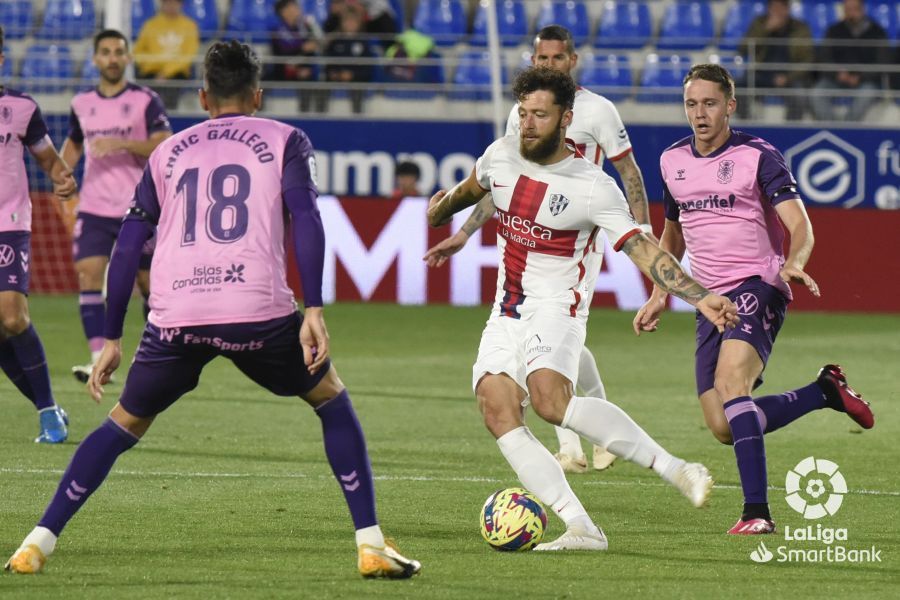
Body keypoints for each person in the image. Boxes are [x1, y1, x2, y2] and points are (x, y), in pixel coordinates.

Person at [4, 40, 420, 579]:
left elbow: (128, 245)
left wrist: (111, 338)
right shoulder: (285, 138)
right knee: (331, 400)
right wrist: (313, 307)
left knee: (121, 425)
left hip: (176, 316)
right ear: (258, 93)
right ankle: (370, 544)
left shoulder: (168, 151)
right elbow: (307, 220)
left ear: (202, 96)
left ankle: (35, 544)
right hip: (258, 312)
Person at [427, 66, 738, 551]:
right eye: (524, 113)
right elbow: (468, 191)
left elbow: (644, 249)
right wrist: (438, 212)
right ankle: (583, 528)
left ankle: (676, 468)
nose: (527, 124)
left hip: (558, 306)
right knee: (496, 407)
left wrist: (699, 295)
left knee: (550, 401)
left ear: (566, 119)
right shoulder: (501, 155)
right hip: (507, 308)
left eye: (540, 115)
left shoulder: (592, 186)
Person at [633, 63, 875, 535]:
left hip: (757, 285)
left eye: (709, 103)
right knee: (724, 427)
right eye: (691, 104)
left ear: (730, 105)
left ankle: (756, 512)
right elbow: (673, 233)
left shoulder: (758, 155)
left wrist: (796, 261)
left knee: (731, 385)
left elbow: (800, 223)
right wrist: (660, 292)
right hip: (707, 298)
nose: (700, 114)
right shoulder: (671, 160)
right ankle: (824, 391)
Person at [424, 25, 654, 475]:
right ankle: (584, 435)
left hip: (579, 229)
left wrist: (640, 227)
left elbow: (631, 174)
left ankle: (576, 441)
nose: (548, 65)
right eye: (541, 59)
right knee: (550, 335)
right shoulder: (523, 112)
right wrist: (466, 231)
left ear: (572, 61)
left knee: (552, 331)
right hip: (533, 226)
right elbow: (508, 184)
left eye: (556, 58)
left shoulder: (599, 110)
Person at [62, 29, 173, 383]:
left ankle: (160, 354)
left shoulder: (145, 100)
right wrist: (61, 174)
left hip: (137, 207)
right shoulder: (81, 103)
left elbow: (163, 143)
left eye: (118, 52)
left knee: (149, 284)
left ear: (127, 58)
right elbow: (74, 144)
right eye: (105, 52)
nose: (112, 58)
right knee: (88, 273)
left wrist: (122, 144)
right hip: (95, 206)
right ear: (95, 59)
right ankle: (98, 359)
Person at [0, 26, 78, 443]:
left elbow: (49, 159)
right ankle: (50, 410)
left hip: (8, 222)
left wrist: (62, 178)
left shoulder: (20, 108)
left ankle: (48, 413)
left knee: (13, 317)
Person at [810, 0, 889, 122]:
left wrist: (860, 77)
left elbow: (882, 63)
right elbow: (824, 58)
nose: (851, 13)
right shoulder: (834, 30)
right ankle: (833, 128)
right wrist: (838, 73)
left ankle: (847, 129)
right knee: (817, 93)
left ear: (862, 9)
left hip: (866, 81)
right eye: (848, 9)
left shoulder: (877, 32)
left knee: (866, 94)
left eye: (854, 9)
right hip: (836, 78)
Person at [738, 0, 813, 120]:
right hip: (761, 73)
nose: (776, 12)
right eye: (773, 8)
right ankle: (747, 127)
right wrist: (765, 30)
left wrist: (788, 77)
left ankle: (790, 132)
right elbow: (744, 48)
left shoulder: (800, 28)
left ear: (787, 9)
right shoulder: (760, 23)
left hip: (788, 76)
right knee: (737, 88)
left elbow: (807, 60)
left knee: (799, 97)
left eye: (780, 8)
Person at [133, 0, 201, 109]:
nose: (171, 6)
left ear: (181, 4)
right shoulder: (150, 24)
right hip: (152, 73)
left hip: (177, 74)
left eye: (174, 3)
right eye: (168, 3)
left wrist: (166, 72)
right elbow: (138, 52)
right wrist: (155, 69)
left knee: (169, 94)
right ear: (162, 4)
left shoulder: (190, 26)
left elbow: (188, 56)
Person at [270, 0, 326, 113]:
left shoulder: (304, 26)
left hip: (304, 67)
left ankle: (317, 112)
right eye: (293, 7)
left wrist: (313, 28)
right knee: (304, 76)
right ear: (283, 11)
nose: (297, 10)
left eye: (296, 7)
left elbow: (320, 42)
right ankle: (303, 112)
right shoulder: (278, 30)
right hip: (283, 68)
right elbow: (284, 51)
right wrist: (303, 47)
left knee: (319, 79)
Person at [324, 1, 377, 114]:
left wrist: (352, 75)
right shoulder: (335, 41)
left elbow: (368, 69)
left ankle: (358, 119)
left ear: (358, 23)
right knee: (322, 90)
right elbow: (329, 63)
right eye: (347, 20)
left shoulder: (363, 43)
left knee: (358, 92)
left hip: (356, 82)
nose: (350, 24)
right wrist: (335, 74)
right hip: (335, 81)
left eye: (353, 21)